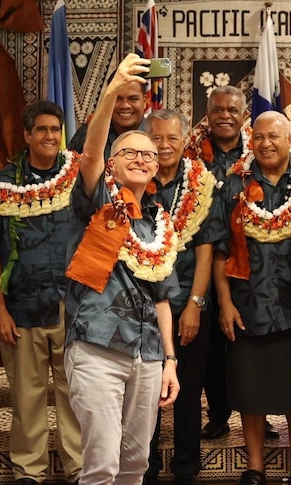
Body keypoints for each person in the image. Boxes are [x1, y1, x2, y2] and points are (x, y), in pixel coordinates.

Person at [63, 53, 180, 485]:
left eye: (148, 155)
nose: (141, 158)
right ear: (112, 164)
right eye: (128, 152)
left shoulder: (157, 219)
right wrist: (112, 91)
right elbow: (91, 152)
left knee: (136, 465)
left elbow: (164, 297)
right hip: (96, 345)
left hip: (148, 354)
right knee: (102, 466)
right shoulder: (96, 198)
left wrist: (169, 360)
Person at [210, 111, 291, 485]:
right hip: (249, 304)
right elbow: (220, 250)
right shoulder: (234, 186)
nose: (265, 144)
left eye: (273, 136)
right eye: (258, 137)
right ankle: (254, 467)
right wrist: (225, 303)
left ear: (290, 137)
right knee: (251, 388)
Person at [0, 100, 83, 485]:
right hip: (21, 307)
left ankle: (78, 466)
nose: (50, 136)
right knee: (27, 395)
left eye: (55, 129)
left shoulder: (77, 175)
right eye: (41, 130)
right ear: (27, 135)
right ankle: (29, 469)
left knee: (75, 393)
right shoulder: (4, 183)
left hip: (71, 305)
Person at [141, 109, 217, 485]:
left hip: (188, 303)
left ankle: (187, 466)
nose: (165, 145)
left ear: (185, 140)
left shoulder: (201, 183)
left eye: (173, 137)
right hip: (142, 309)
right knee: (144, 391)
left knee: (188, 391)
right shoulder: (133, 181)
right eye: (157, 138)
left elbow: (206, 249)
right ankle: (147, 465)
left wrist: (194, 305)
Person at [184, 86, 256, 441]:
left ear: (244, 115)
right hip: (203, 261)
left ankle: (257, 414)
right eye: (217, 110)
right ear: (207, 115)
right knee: (211, 345)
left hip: (250, 264)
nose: (225, 115)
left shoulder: (260, 153)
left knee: (247, 343)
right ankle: (217, 414)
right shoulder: (192, 157)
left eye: (232, 109)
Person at [67, 70, 146, 161]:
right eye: (117, 99)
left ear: (144, 101)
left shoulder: (157, 136)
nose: (125, 105)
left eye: (133, 99)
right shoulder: (88, 135)